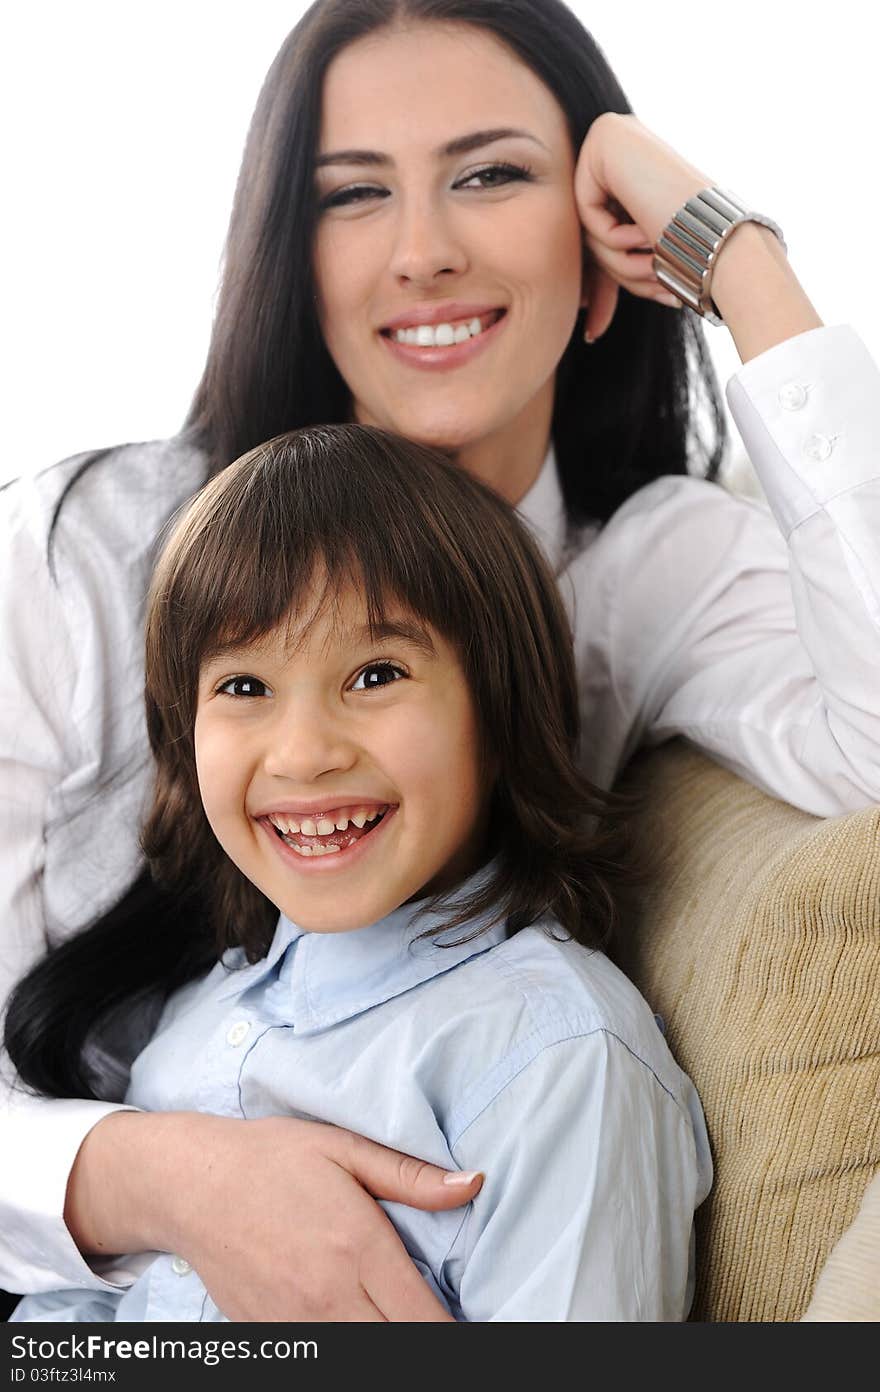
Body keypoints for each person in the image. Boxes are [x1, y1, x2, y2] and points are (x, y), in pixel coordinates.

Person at [2, 0, 878, 1322]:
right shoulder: (85, 549)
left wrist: (734, 250)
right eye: (354, 198)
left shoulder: (644, 568)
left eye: (490, 175)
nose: (422, 252)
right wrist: (155, 1176)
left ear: (595, 243)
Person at [8, 424, 711, 1322]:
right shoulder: (203, 1011)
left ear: (498, 715)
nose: (302, 755)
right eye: (244, 687)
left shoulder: (558, 1061)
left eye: (376, 674)